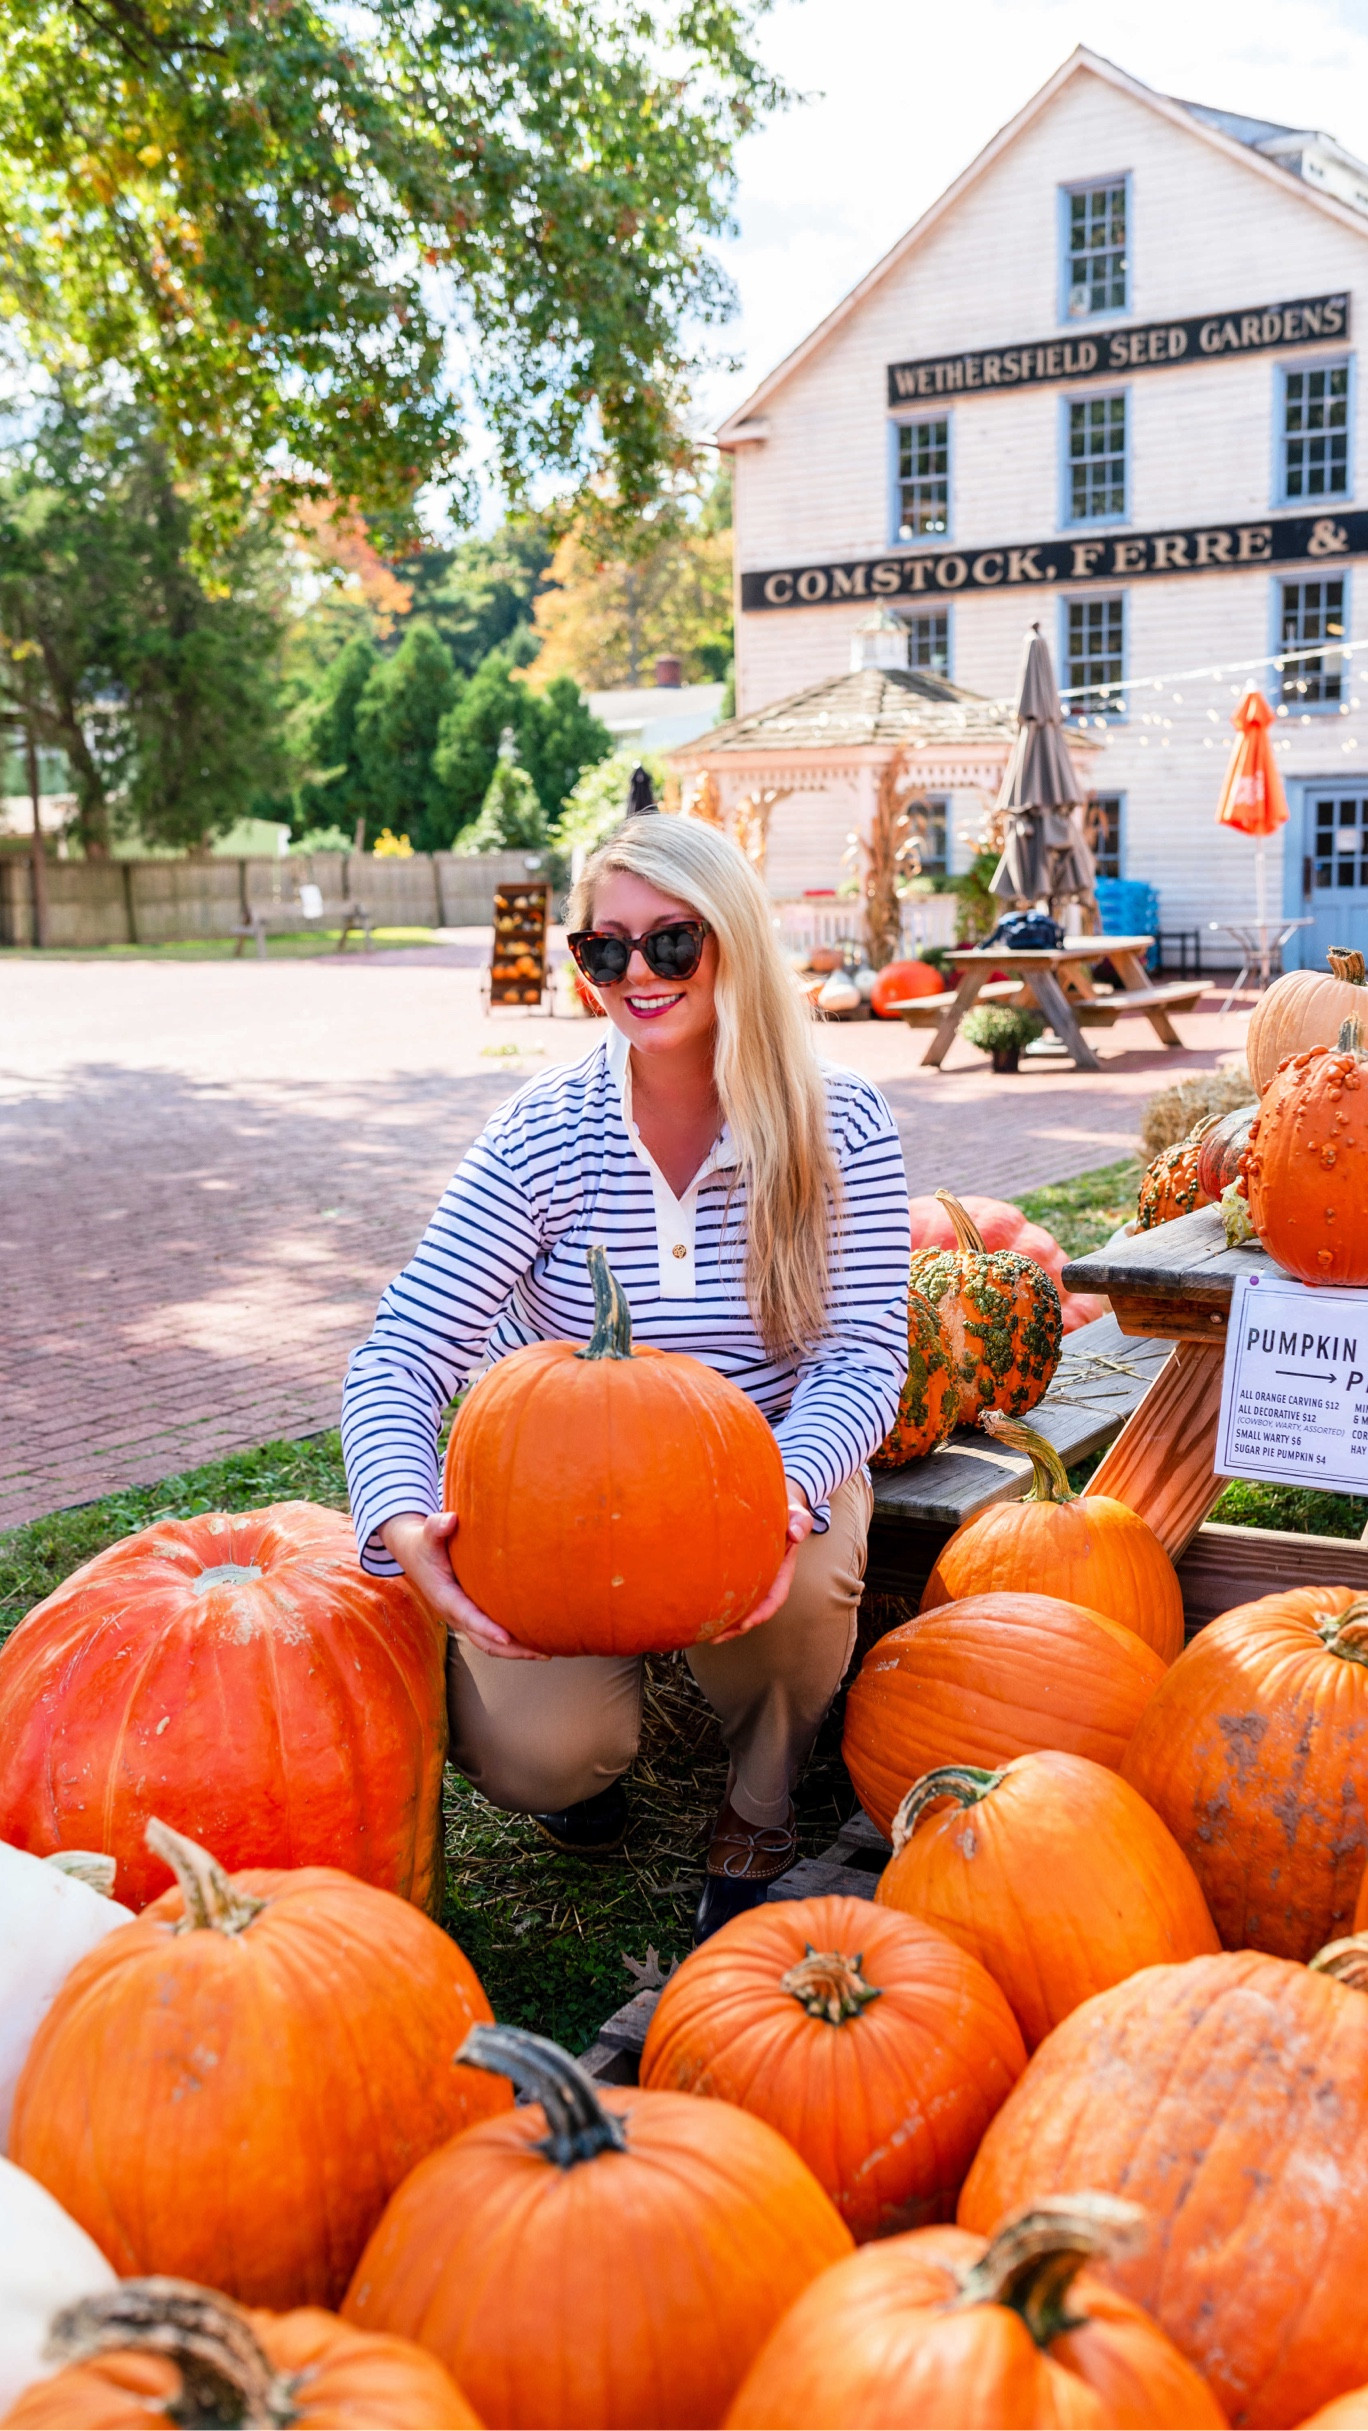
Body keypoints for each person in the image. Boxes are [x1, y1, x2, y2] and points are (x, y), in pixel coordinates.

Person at [341, 811, 910, 1940]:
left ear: (734, 941)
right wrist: (402, 1517)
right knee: (533, 1755)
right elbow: (401, 1352)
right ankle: (588, 1764)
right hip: (570, 1493)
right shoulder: (543, 1136)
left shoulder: (836, 1120)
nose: (635, 975)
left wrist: (784, 1494)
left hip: (764, 1466)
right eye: (604, 949)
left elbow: (859, 1357)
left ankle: (758, 1800)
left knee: (799, 1594)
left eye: (671, 943)